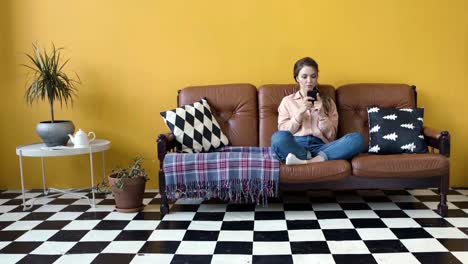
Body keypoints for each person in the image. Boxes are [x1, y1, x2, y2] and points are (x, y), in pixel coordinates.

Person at [271, 57, 365, 165]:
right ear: (297, 78)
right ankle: (308, 157)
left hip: (322, 147)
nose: (309, 81)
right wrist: (299, 113)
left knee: (357, 139)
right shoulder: (287, 101)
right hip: (296, 146)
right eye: (304, 76)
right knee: (278, 138)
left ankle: (308, 161)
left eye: (313, 76)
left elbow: (332, 136)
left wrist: (322, 114)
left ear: (317, 78)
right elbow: (284, 131)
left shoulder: (328, 102)